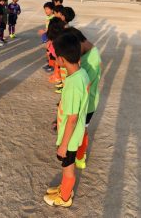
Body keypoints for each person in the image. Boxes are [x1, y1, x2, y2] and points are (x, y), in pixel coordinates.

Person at [43, 32, 90, 208]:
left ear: (61, 59)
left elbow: (72, 118)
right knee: (66, 167)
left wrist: (63, 144)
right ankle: (64, 188)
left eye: (56, 57)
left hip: (69, 138)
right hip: (74, 133)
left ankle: (64, 198)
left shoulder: (71, 85)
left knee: (68, 168)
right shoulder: (81, 72)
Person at [63, 27, 102, 169]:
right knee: (81, 130)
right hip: (88, 101)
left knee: (80, 132)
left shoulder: (90, 60)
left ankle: (80, 157)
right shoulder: (89, 51)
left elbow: (83, 88)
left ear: (79, 42)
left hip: (87, 104)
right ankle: (80, 155)